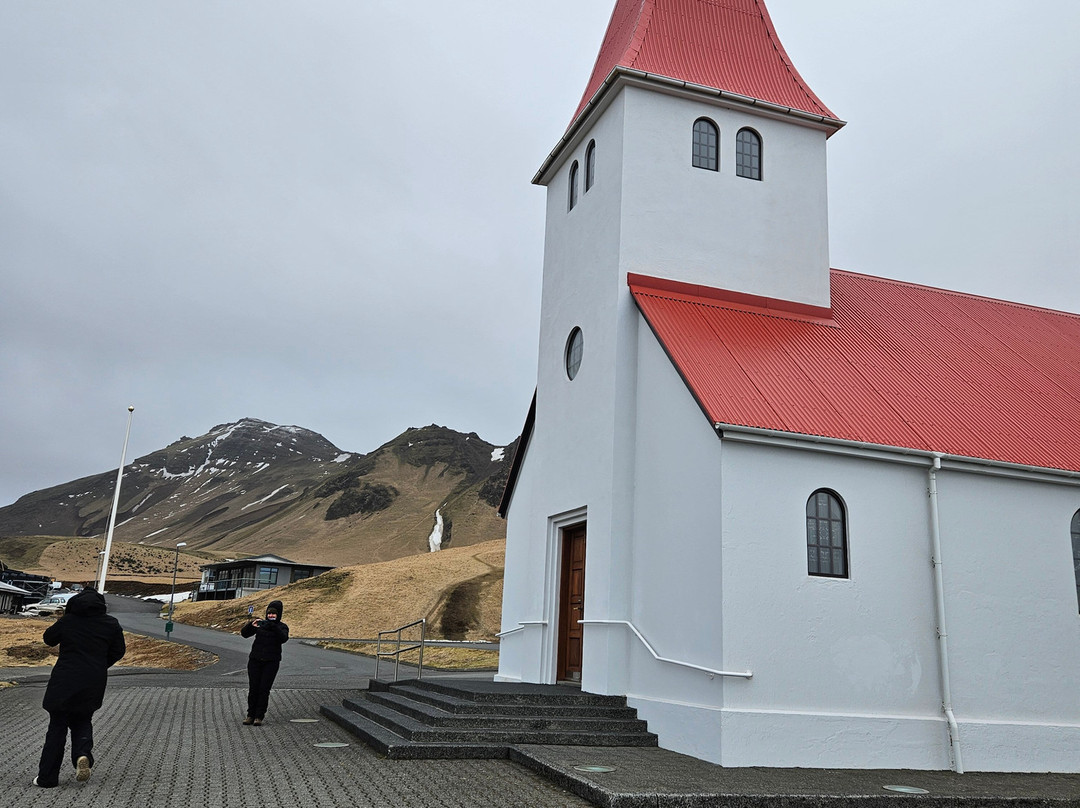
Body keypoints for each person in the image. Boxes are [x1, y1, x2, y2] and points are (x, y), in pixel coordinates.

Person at [34, 587, 126, 788]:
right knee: (83, 720)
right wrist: (99, 665)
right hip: (93, 681)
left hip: (64, 679)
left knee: (57, 727)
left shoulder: (69, 621)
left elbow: (48, 638)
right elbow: (119, 651)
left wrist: (64, 620)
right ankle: (82, 755)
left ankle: (47, 778)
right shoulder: (110, 623)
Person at [240, 599, 289, 725]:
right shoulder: (261, 624)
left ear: (279, 615)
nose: (271, 616)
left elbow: (283, 639)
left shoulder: (282, 627)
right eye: (269, 613)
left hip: (271, 662)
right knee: (253, 688)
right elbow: (244, 634)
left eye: (274, 614)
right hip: (255, 660)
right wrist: (251, 625)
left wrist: (273, 627)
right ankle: (250, 715)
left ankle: (259, 716)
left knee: (264, 689)